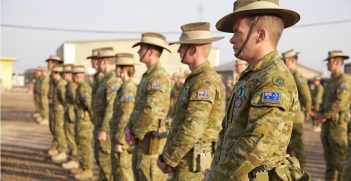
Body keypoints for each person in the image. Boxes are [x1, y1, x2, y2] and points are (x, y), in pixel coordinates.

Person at [209, 0, 311, 180]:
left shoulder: (273, 79)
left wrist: (217, 177)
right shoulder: (252, 74)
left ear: (260, 35)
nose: (232, 39)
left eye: (237, 32)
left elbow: (255, 146)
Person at [157, 22, 226, 180]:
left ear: (194, 49)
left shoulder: (204, 81)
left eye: (182, 46)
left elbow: (193, 127)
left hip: (192, 162)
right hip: (188, 157)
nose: (179, 50)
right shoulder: (198, 78)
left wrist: (169, 158)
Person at [125, 32, 172, 181]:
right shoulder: (148, 75)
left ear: (150, 52)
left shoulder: (158, 76)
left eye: (141, 49)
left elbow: (151, 110)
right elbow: (138, 107)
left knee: (148, 176)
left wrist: (135, 132)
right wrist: (129, 127)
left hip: (150, 140)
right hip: (142, 139)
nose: (138, 52)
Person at [317, 50, 351, 181]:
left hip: (337, 126)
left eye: (329, 61)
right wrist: (320, 113)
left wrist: (324, 115)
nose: (327, 64)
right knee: (329, 162)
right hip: (327, 125)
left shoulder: (344, 81)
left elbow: (340, 103)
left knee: (340, 161)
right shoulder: (331, 80)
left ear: (338, 62)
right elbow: (325, 100)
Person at [94, 47, 122, 181]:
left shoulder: (113, 81)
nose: (96, 64)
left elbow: (111, 108)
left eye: (98, 61)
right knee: (101, 159)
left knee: (106, 162)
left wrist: (104, 129)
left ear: (104, 61)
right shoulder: (105, 79)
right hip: (99, 123)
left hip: (107, 128)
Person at [282, 49, 312, 168]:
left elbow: (307, 98)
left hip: (296, 119)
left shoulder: (298, 77)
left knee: (298, 149)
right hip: (289, 118)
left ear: (292, 61)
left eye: (286, 61)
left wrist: (305, 112)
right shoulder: (287, 75)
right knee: (289, 149)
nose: (284, 64)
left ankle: (302, 173)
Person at [111, 53, 137, 181]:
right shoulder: (123, 87)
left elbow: (126, 116)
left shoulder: (129, 89)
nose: (114, 69)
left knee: (124, 173)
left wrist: (120, 141)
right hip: (119, 137)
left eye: (116, 67)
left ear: (123, 69)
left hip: (123, 140)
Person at [71, 65, 94, 180]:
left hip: (84, 122)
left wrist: (89, 118)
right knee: (80, 144)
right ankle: (83, 166)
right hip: (80, 121)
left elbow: (89, 105)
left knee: (85, 145)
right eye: (74, 75)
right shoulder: (79, 87)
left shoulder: (84, 88)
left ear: (81, 75)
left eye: (77, 75)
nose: (75, 77)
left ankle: (88, 169)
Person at [61, 64, 79, 170]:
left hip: (71, 115)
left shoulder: (72, 86)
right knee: (69, 136)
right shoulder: (68, 85)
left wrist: (72, 112)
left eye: (65, 73)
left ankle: (74, 159)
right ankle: (72, 157)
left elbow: (75, 101)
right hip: (69, 114)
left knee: (71, 137)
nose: (63, 75)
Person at [46, 55, 64, 156]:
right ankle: (56, 145)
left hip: (59, 107)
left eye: (50, 62)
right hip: (53, 105)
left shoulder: (60, 76)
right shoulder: (51, 76)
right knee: (53, 128)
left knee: (59, 129)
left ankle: (61, 149)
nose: (48, 64)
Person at [50, 65, 68, 163]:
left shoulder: (61, 84)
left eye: (55, 73)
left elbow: (64, 99)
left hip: (60, 111)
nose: (53, 75)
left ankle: (62, 151)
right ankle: (59, 149)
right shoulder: (57, 84)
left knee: (60, 131)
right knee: (56, 130)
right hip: (56, 110)